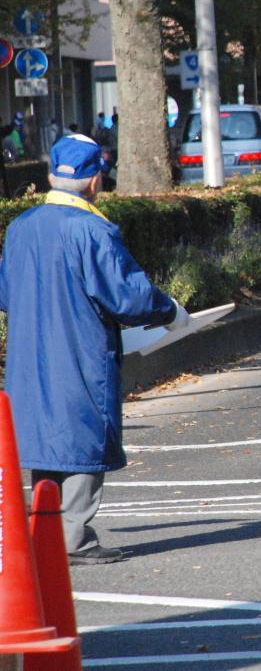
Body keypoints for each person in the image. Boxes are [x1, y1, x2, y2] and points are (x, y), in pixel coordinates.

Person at [0, 135, 189, 565]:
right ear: (94, 180)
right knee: (84, 432)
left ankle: (44, 531)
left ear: (50, 175)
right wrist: (169, 310)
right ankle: (73, 538)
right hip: (81, 348)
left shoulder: (20, 227)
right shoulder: (92, 229)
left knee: (45, 438)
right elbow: (128, 296)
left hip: (31, 349)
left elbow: (6, 293)